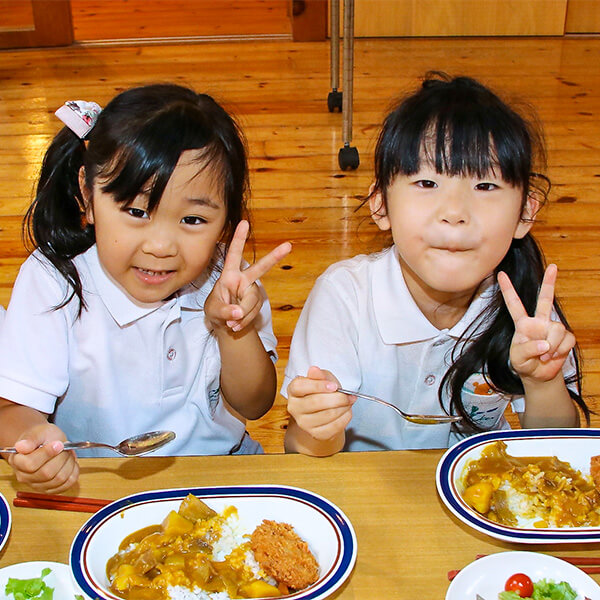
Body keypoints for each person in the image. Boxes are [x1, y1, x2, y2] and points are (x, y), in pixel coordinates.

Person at [0, 84, 291, 491]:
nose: (160, 247)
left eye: (193, 220)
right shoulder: (55, 281)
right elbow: (13, 409)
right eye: (136, 211)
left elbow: (255, 404)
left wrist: (232, 328)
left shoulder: (228, 279)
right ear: (86, 194)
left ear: (227, 218)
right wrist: (33, 439)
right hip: (94, 481)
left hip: (222, 472)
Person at [283, 72, 588, 457]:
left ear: (526, 213)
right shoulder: (345, 296)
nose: (455, 212)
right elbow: (299, 449)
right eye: (427, 183)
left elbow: (557, 448)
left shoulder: (526, 306)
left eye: (486, 186)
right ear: (380, 204)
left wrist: (542, 382)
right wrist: (318, 428)